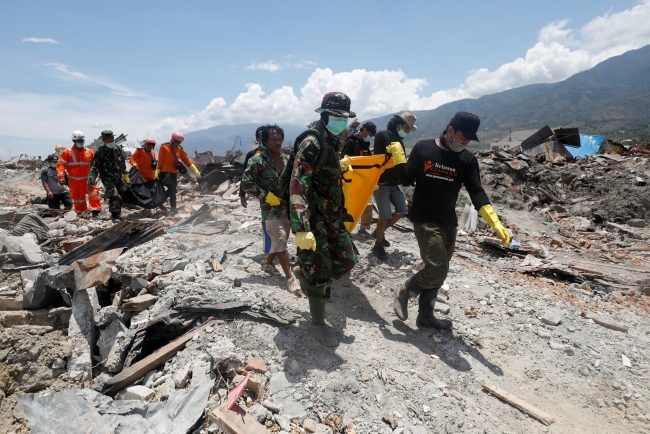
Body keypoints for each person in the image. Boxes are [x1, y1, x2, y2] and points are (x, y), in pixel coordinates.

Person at [390, 112, 511, 330]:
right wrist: (399, 158)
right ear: (449, 131)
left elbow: (476, 191)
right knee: (436, 269)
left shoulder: (466, 159)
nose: (464, 144)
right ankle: (404, 291)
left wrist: (495, 222)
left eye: (468, 141)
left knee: (440, 270)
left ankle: (425, 316)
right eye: (462, 139)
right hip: (425, 219)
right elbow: (407, 179)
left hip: (448, 221)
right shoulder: (424, 148)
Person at [290, 92, 359, 347]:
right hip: (313, 218)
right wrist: (300, 227)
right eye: (337, 116)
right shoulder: (313, 142)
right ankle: (318, 322)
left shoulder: (331, 141)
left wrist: (338, 165)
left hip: (331, 217)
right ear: (324, 114)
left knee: (347, 259)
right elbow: (298, 183)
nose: (341, 121)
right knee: (320, 269)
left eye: (345, 117)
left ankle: (305, 273)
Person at [242, 125, 302, 297]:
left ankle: (267, 262)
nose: (278, 142)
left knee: (280, 240)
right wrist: (266, 196)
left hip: (287, 206)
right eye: (273, 139)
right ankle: (290, 279)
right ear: (265, 141)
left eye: (280, 139)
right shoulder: (257, 160)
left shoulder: (286, 159)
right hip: (270, 208)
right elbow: (246, 183)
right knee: (280, 237)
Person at [371, 111, 417, 260]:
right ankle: (378, 245)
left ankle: (379, 232)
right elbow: (379, 159)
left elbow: (401, 164)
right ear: (399, 124)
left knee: (402, 211)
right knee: (384, 215)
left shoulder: (400, 142)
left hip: (395, 183)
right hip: (382, 183)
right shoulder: (382, 136)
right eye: (406, 128)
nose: (407, 131)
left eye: (409, 130)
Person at [340, 121, 377, 237]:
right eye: (369, 134)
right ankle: (344, 229)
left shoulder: (365, 145)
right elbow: (343, 160)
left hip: (363, 181)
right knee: (348, 205)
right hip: (351, 181)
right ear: (364, 130)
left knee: (367, 204)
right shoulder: (351, 142)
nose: (369, 138)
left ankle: (363, 229)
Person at [154, 132, 201, 214]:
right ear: (173, 139)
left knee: (173, 188)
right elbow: (160, 159)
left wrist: (195, 169)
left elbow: (186, 160)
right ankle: (173, 207)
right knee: (172, 187)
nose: (178, 143)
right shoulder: (164, 147)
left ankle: (160, 201)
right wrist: (157, 170)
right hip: (165, 171)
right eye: (177, 141)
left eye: (179, 142)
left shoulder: (180, 149)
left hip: (174, 172)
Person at [57, 131, 102, 216]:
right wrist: (61, 177)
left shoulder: (89, 152)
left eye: (82, 141)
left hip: (88, 179)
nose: (80, 143)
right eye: (78, 141)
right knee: (78, 199)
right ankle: (81, 214)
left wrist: (99, 173)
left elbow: (95, 164)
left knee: (94, 194)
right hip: (74, 180)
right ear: (74, 141)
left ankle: (96, 212)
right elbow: (60, 164)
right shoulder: (67, 152)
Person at [88, 130, 130, 220]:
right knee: (114, 195)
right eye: (108, 138)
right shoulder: (100, 151)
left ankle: (117, 214)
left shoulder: (118, 148)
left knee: (120, 195)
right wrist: (91, 181)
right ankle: (115, 216)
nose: (111, 140)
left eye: (112, 138)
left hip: (118, 177)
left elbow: (122, 163)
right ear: (103, 140)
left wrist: (126, 175)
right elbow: (94, 167)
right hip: (107, 177)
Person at [239, 126, 267, 208]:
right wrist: (242, 195)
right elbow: (245, 175)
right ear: (257, 139)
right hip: (258, 192)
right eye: (262, 138)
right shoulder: (251, 155)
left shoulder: (274, 154)